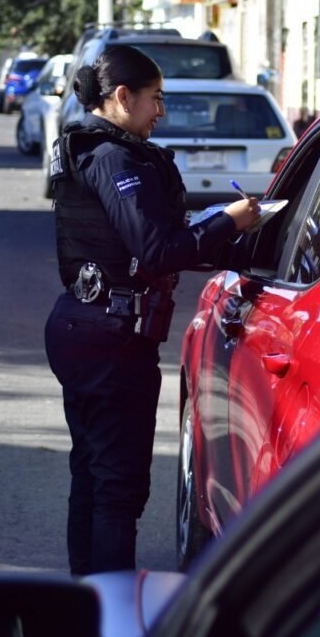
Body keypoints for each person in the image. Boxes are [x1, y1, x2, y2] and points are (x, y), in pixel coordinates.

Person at [44, 44, 260, 576]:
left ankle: (88, 607)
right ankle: (112, 621)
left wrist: (245, 237)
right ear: (122, 97)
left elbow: (167, 243)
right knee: (118, 488)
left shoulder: (96, 150)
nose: (160, 112)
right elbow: (159, 250)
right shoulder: (114, 157)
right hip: (109, 337)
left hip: (90, 326)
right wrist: (228, 221)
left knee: (94, 474)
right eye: (155, 99)